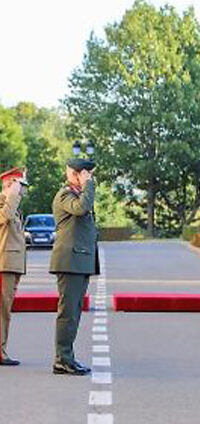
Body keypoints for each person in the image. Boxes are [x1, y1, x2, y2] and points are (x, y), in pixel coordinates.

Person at [50, 158, 98, 375]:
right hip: (70, 261)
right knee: (68, 313)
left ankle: (67, 357)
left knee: (74, 313)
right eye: (86, 174)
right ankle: (62, 359)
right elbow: (81, 208)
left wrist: (86, 186)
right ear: (75, 174)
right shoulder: (65, 195)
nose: (89, 178)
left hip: (78, 261)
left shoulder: (77, 194)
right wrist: (88, 186)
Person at [0, 168, 28, 366]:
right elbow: (5, 217)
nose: (24, 190)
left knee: (5, 310)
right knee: (2, 310)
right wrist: (11, 195)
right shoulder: (5, 202)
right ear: (11, 185)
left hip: (11, 264)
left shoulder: (12, 205)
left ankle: (2, 349)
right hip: (4, 263)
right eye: (21, 185)